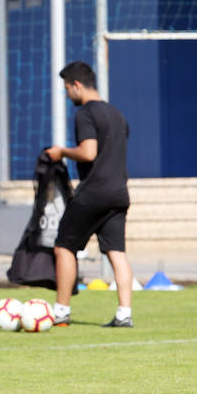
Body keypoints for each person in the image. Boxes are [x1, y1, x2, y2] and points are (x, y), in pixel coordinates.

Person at [45, 61, 134, 328]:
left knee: (64, 247)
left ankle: (61, 311)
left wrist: (61, 152)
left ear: (77, 85)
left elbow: (88, 152)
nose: (67, 94)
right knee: (117, 253)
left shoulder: (85, 114)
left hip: (94, 192)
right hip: (119, 192)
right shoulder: (117, 114)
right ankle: (124, 314)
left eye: (67, 89)